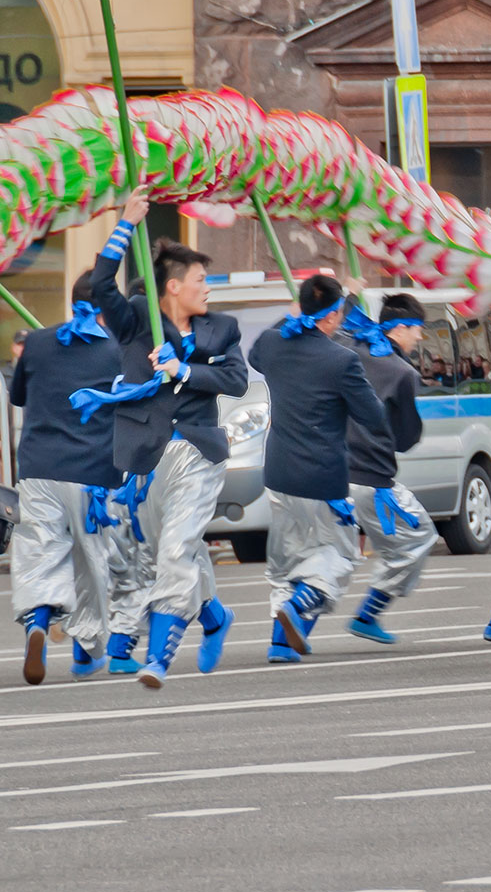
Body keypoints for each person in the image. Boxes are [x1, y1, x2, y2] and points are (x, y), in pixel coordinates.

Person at [87, 195, 249, 686]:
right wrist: (126, 224)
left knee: (177, 549)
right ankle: (214, 614)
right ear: (173, 286)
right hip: (145, 456)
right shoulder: (137, 319)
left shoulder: (220, 329)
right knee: (169, 550)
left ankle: (158, 657)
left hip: (199, 452)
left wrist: (187, 370)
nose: (207, 289)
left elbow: (237, 381)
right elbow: (99, 284)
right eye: (200, 281)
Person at [248, 273, 391, 663]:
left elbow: (255, 355)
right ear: (331, 317)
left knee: (288, 560)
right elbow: (373, 415)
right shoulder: (341, 360)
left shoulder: (272, 345)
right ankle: (303, 602)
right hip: (322, 473)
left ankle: (281, 643)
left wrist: (294, 314)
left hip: (278, 470)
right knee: (339, 555)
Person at [10, 274, 124, 683]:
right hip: (91, 474)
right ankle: (85, 653)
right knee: (89, 563)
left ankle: (38, 622)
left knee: (41, 553)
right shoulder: (118, 351)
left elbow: (18, 396)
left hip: (38, 468)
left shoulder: (37, 342)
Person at [338, 292, 435, 645]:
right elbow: (406, 437)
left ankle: (284, 637)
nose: (419, 338)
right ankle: (369, 613)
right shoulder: (401, 372)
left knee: (327, 557)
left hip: (326, 471)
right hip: (370, 477)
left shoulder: (347, 348)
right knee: (418, 538)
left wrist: (350, 291)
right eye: (417, 330)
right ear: (400, 330)